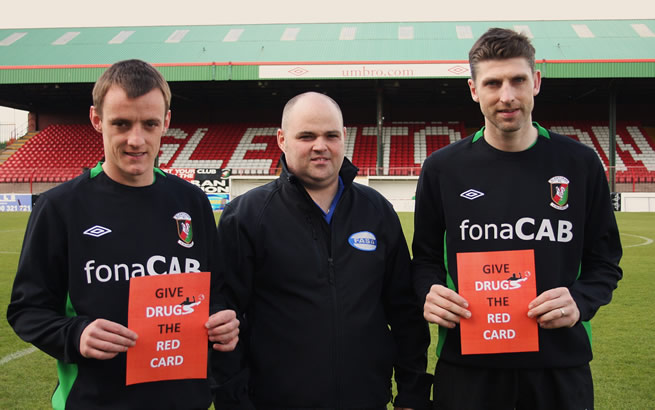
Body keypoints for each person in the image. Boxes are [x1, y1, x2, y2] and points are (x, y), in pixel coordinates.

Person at [7, 59, 239, 409]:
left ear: (167, 122)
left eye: (149, 124)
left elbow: (214, 291)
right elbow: (27, 310)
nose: (136, 139)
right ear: (97, 120)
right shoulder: (61, 207)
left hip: (183, 400)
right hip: (95, 401)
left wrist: (223, 320)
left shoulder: (191, 201)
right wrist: (76, 334)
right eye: (121, 124)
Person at [411, 27, 623, 409]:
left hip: (560, 365)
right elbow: (423, 259)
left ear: (536, 82)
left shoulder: (580, 163)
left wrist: (581, 299)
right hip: (468, 366)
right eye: (492, 83)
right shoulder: (443, 169)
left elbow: (605, 262)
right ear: (474, 90)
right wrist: (429, 291)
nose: (506, 96)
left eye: (518, 80)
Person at [214, 91, 432, 409]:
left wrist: (412, 394)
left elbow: (405, 313)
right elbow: (224, 322)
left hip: (367, 400)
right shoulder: (245, 216)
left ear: (343, 137)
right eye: (306, 136)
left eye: (330, 135)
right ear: (281, 139)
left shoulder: (376, 210)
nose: (320, 146)